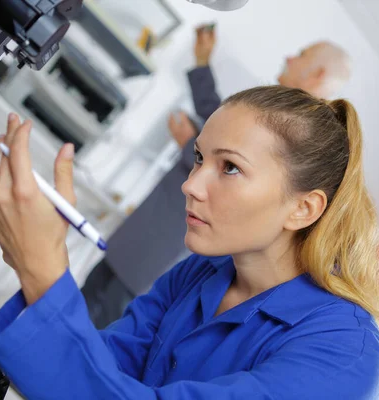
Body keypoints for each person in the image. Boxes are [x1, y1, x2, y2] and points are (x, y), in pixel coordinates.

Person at [0, 84, 379, 399]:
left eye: (231, 168)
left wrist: (43, 272)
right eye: (201, 158)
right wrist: (37, 262)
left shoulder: (345, 352)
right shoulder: (203, 272)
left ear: (304, 209)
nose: (191, 184)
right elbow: (102, 366)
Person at [81, 25, 353, 328]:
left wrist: (189, 144)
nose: (290, 58)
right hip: (149, 234)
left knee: (103, 323)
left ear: (318, 74)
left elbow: (230, 167)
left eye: (302, 55)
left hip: (164, 249)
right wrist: (201, 64)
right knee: (88, 300)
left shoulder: (300, 143)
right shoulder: (270, 119)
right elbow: (219, 122)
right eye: (201, 157)